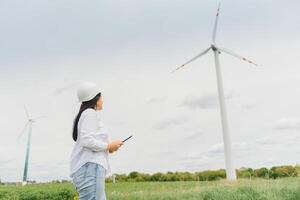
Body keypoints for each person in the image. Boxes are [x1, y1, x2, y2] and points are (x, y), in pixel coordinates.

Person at [69, 82, 123, 200]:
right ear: (96, 98)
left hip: (89, 167)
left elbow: (89, 142)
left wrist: (109, 148)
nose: (103, 100)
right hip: (90, 167)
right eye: (101, 97)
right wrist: (108, 146)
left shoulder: (85, 114)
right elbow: (87, 141)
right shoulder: (90, 113)